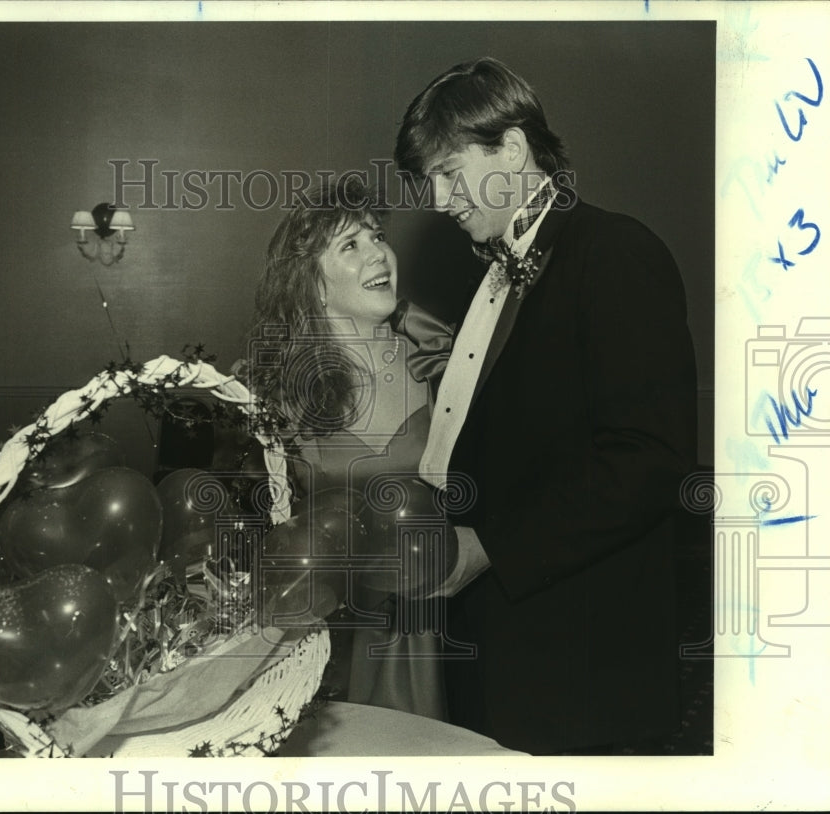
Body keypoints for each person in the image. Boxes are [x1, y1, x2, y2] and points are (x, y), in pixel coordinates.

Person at [394, 57, 698, 754]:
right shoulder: (497, 267)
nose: (439, 201)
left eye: (448, 172)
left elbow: (649, 457)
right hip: (496, 637)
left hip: (575, 660)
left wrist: (490, 545)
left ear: (512, 147)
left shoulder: (616, 251)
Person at [240, 176, 455, 721]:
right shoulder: (281, 399)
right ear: (314, 286)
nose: (378, 252)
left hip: (442, 619)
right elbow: (264, 538)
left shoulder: (440, 364)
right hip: (332, 638)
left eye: (377, 236)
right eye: (350, 245)